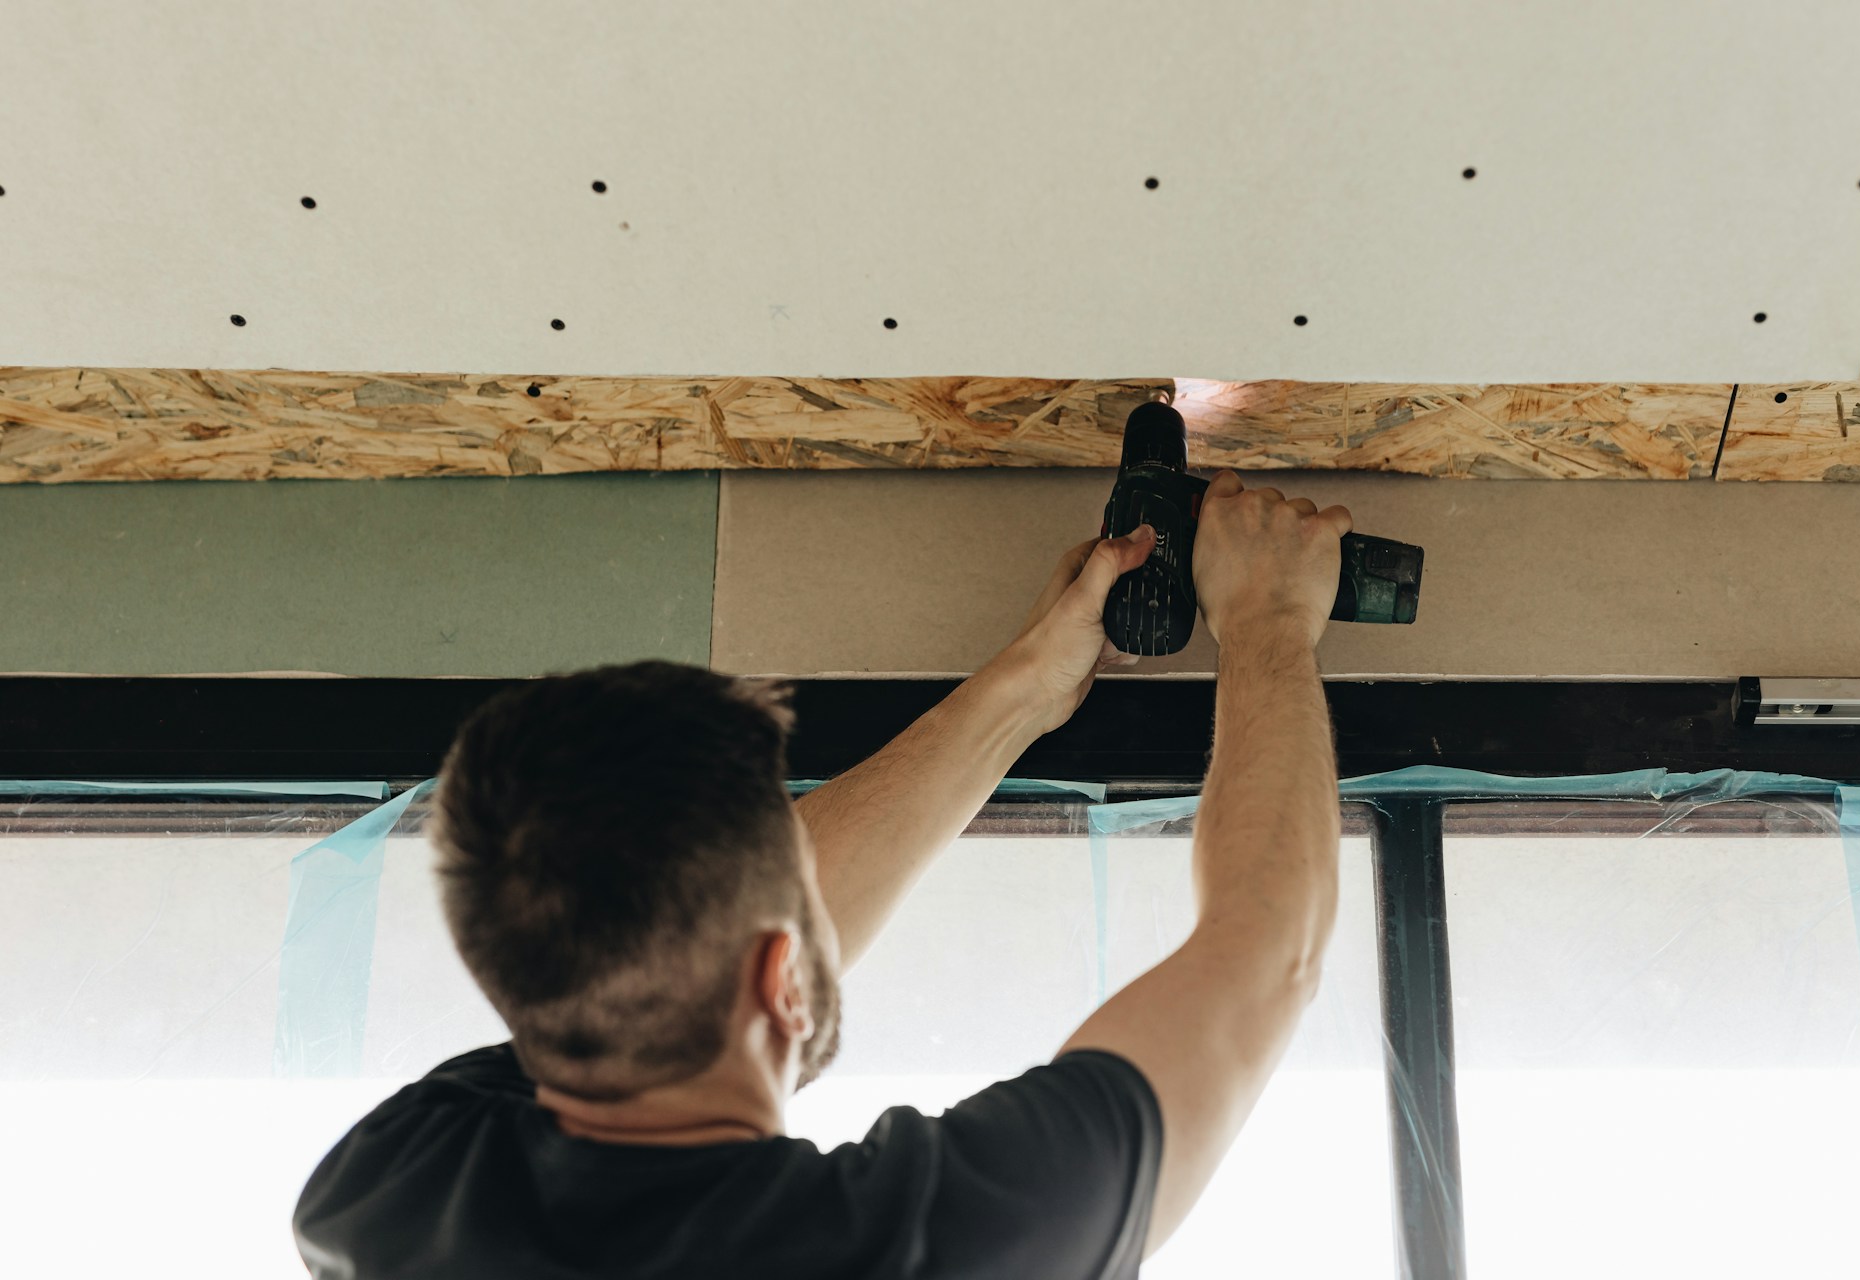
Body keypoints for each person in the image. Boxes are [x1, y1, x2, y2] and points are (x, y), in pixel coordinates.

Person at [293, 471, 1353, 1279]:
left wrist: (1029, 686)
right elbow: (1263, 952)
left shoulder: (391, 1186)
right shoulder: (921, 1242)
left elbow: (698, 940)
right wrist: (1267, 619)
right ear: (777, 973)